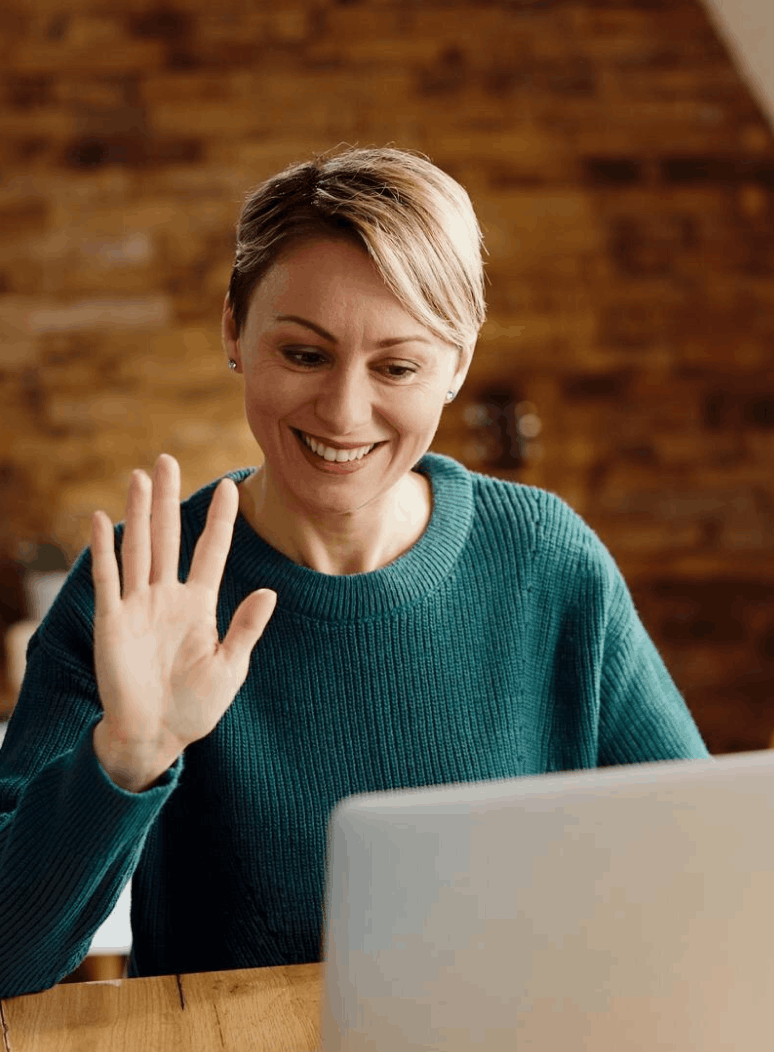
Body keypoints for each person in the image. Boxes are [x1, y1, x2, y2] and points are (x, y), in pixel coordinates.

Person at [0, 146, 710, 998]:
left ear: (458, 363)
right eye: (304, 354)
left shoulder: (546, 561)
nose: (343, 411)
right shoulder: (135, 589)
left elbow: (703, 869)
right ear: (234, 330)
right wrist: (129, 754)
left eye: (397, 366)